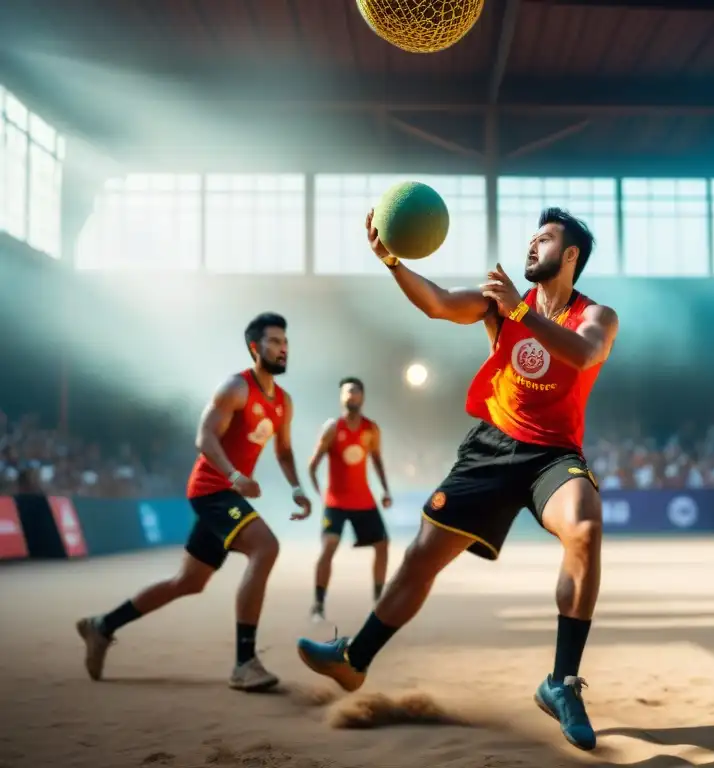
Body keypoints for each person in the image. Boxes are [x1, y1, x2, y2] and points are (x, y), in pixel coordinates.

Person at [297, 208, 618, 751]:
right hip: (491, 447)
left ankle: (561, 683)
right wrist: (393, 262)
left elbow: (585, 354)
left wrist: (520, 308)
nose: (531, 246)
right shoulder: (499, 301)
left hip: (552, 456)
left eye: (545, 239)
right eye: (531, 238)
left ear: (570, 256)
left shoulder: (596, 314)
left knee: (585, 529)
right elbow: (439, 303)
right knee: (421, 559)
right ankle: (355, 659)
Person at [76, 312, 313, 690]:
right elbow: (204, 437)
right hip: (211, 488)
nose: (283, 349)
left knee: (188, 581)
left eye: (285, 342)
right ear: (255, 347)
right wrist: (234, 475)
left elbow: (283, 452)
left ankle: (102, 625)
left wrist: (298, 489)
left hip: (227, 492)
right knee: (265, 548)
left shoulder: (283, 402)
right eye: (274, 342)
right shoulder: (236, 388)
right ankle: (244, 662)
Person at [308, 376, 392, 620]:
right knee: (329, 548)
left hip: (363, 501)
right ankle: (318, 605)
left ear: (362, 397)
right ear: (341, 397)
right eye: (347, 392)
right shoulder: (333, 428)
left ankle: (379, 601)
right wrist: (316, 492)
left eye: (356, 391)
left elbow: (377, 460)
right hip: (336, 502)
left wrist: (386, 490)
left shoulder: (371, 429)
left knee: (383, 546)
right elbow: (313, 465)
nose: (351, 395)